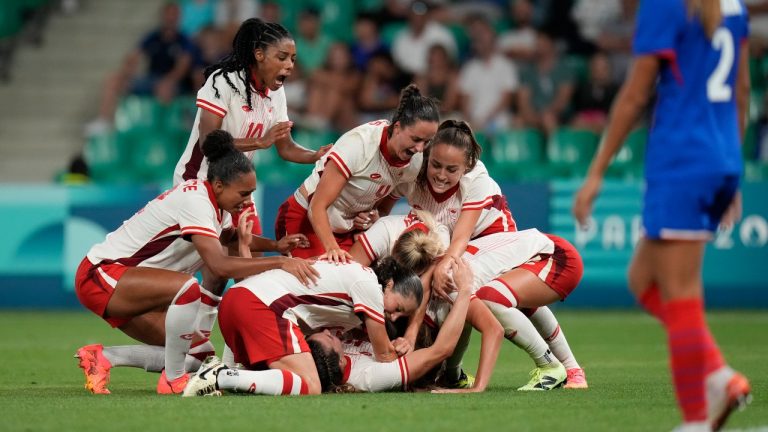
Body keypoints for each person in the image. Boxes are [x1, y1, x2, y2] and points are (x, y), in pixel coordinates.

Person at [572, 0, 751, 429]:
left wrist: (596, 172)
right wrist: (732, 165)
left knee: (681, 293)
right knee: (642, 281)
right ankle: (717, 375)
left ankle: (695, 418)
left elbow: (635, 95)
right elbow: (741, 91)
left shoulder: (667, 4)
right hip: (717, 154)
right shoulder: (733, 5)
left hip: (682, 159)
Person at [74, 130, 317, 395]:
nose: (248, 202)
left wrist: (274, 246)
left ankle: (104, 358)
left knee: (200, 355)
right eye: (244, 194)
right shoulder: (195, 200)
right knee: (188, 287)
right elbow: (219, 265)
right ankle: (173, 380)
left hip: (138, 286)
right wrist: (280, 262)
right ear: (220, 185)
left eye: (252, 194)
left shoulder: (218, 206)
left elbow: (230, 237)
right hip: (102, 275)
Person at [352, 210, 585, 391]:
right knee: (495, 304)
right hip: (539, 255)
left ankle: (549, 366)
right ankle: (572, 370)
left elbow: (492, 330)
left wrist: (478, 387)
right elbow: (455, 328)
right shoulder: (431, 285)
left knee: (489, 299)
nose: (395, 315)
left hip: (556, 256)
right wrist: (450, 374)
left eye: (398, 311)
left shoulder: (447, 284)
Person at [173, 18, 331, 236]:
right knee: (211, 258)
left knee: (252, 245)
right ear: (259, 55)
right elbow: (208, 142)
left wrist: (316, 155)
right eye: (282, 57)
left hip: (238, 185)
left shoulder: (277, 93)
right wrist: (259, 142)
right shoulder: (223, 81)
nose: (289, 65)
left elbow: (286, 148)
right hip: (200, 180)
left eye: (293, 59)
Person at [182, 256, 423, 396]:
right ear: (389, 284)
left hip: (236, 301)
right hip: (260, 305)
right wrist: (404, 347)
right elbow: (385, 357)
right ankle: (220, 376)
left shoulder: (354, 281)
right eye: (399, 308)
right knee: (310, 384)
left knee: (265, 378)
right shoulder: (370, 286)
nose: (393, 317)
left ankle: (219, 372)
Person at [275, 84, 440, 262]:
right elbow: (317, 207)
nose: (419, 148)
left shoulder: (414, 162)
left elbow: (382, 210)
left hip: (346, 231)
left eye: (427, 142)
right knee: (322, 283)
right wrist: (333, 250)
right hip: (305, 221)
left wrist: (372, 218)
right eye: (416, 139)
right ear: (397, 127)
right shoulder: (359, 145)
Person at [85, 3, 195, 136]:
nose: (171, 18)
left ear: (179, 17)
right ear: (163, 16)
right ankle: (104, 120)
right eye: (168, 14)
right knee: (114, 80)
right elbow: (134, 56)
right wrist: (126, 73)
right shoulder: (152, 37)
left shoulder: (184, 40)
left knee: (164, 89)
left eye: (174, 15)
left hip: (174, 83)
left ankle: (159, 134)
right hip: (151, 80)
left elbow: (182, 66)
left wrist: (169, 80)